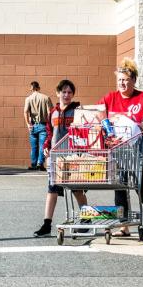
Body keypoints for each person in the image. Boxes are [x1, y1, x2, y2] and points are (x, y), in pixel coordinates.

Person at [100, 58, 143, 236]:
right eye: (119, 80)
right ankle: (123, 225)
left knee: (141, 188)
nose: (122, 83)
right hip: (118, 149)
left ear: (133, 80)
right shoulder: (110, 98)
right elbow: (98, 113)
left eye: (126, 79)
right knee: (120, 185)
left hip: (141, 148)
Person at [34, 79, 88, 237]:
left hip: (73, 156)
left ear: (73, 94)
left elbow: (83, 131)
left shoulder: (78, 110)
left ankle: (86, 220)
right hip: (56, 158)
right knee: (52, 190)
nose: (66, 94)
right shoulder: (53, 112)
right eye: (63, 92)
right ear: (58, 93)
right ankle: (47, 224)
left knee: (77, 190)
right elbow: (49, 133)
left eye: (69, 92)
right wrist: (46, 147)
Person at [23, 81, 52, 170]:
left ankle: (33, 164)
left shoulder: (28, 99)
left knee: (34, 146)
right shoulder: (46, 98)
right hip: (43, 125)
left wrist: (28, 124)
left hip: (33, 125)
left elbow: (25, 112)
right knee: (42, 145)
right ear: (39, 88)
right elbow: (50, 112)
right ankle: (40, 164)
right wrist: (50, 125)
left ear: (31, 88)